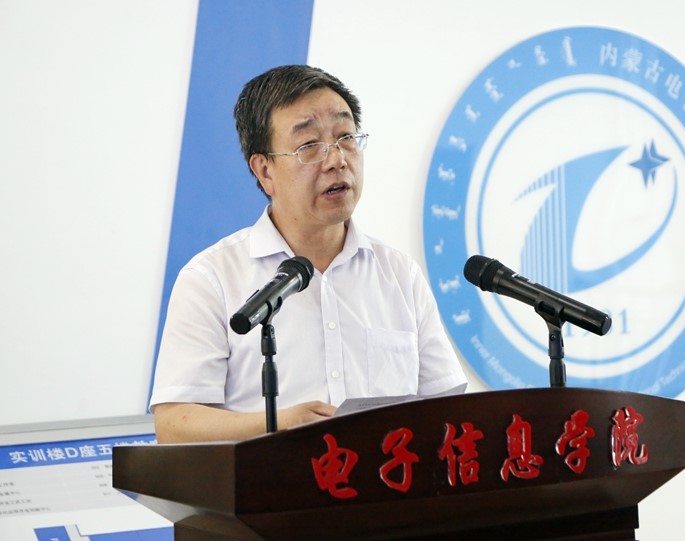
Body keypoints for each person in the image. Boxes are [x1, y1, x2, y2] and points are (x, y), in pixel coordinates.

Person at [149, 65, 467, 443]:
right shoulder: (212, 278)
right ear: (265, 170)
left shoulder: (400, 275)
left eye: (346, 137)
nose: (337, 160)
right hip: (269, 480)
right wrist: (278, 426)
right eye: (309, 146)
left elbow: (448, 410)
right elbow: (174, 425)